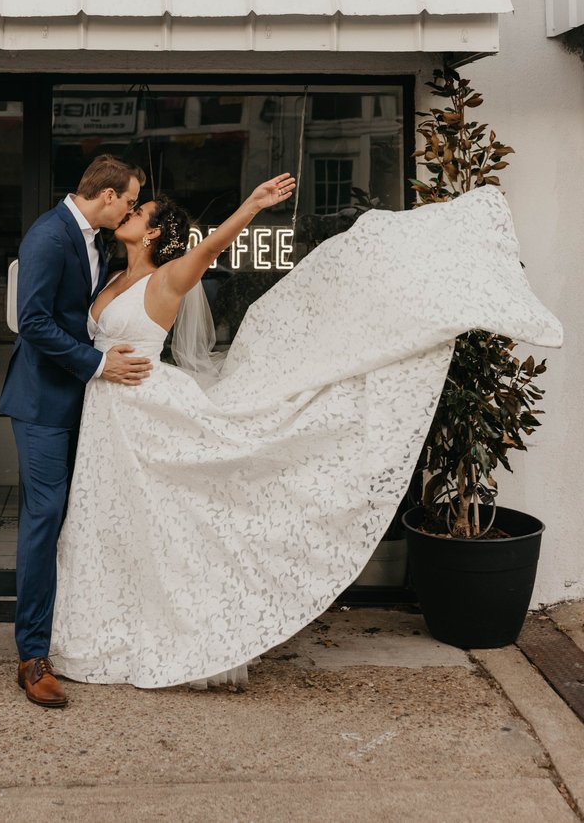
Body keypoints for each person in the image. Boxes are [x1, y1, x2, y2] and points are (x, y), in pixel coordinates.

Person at [49, 179, 563, 691]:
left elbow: (212, 247)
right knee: (109, 522)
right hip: (106, 415)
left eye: (138, 211)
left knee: (163, 522)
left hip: (147, 412)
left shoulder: (167, 278)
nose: (128, 213)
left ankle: (176, 631)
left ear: (154, 233)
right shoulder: (111, 275)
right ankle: (105, 630)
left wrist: (252, 204)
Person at [0, 153, 152, 709]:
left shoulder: (95, 241)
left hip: (79, 403)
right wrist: (98, 363)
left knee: (75, 516)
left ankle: (72, 631)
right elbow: (34, 321)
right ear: (108, 196)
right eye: (129, 200)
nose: (130, 209)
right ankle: (32, 657)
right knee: (44, 518)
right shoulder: (48, 235)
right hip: (41, 404)